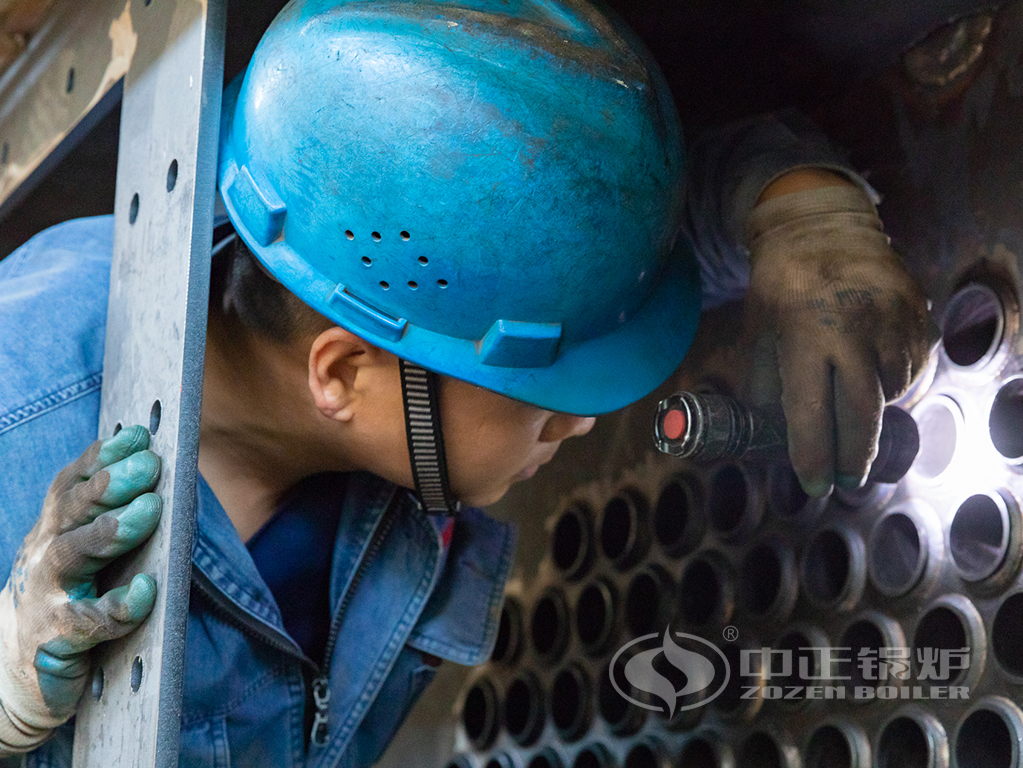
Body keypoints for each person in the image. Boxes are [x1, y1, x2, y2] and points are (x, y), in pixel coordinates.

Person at [0, 0, 930, 766]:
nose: (581, 422)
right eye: (541, 398)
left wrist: (793, 204)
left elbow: (570, 247)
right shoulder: (22, 425)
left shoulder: (337, 218)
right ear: (345, 373)